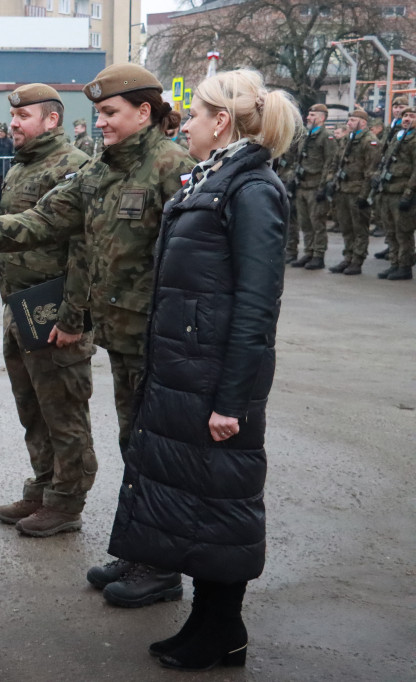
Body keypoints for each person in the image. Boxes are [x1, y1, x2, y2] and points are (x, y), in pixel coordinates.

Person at [0, 64, 195, 607]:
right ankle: (142, 553)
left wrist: (73, 316)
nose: (98, 123)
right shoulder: (102, 170)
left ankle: (162, 565)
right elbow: (46, 218)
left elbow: (198, 261)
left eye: (109, 113)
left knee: (157, 452)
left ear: (144, 113)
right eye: (97, 114)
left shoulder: (173, 166)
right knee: (134, 446)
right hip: (122, 337)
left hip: (159, 337)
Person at [107, 68, 300, 671]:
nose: (183, 123)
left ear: (221, 122)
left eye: (194, 115)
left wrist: (232, 399)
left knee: (221, 502)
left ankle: (221, 629)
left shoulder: (253, 190)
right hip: (186, 371)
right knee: (197, 499)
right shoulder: (214, 181)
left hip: (216, 379)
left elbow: (256, 305)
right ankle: (211, 624)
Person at [0, 84, 95, 537]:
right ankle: (45, 485)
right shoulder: (23, 165)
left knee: (64, 411)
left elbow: (86, 251)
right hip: (22, 309)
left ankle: (67, 502)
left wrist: (73, 319)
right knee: (32, 407)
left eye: (23, 117)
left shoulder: (74, 168)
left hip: (55, 313)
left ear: (51, 120)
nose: (14, 124)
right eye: (13, 117)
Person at [324, 109, 378, 275]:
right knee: (346, 227)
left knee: (359, 229)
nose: (349, 123)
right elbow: (336, 162)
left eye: (353, 120)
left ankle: (357, 260)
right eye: (349, 120)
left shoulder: (370, 141)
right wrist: (331, 180)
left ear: (363, 122)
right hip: (343, 189)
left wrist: (364, 195)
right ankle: (348, 257)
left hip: (357, 190)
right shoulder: (347, 139)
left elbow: (372, 170)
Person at [372, 106, 416, 281]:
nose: (407, 119)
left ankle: (404, 266)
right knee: (390, 230)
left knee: (403, 231)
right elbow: (386, 162)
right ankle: (395, 263)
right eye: (405, 116)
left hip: (402, 191)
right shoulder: (398, 137)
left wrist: (408, 193)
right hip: (387, 190)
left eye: (412, 116)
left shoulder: (413, 140)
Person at [289, 103, 335, 271]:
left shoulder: (326, 136)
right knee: (305, 222)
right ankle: (308, 252)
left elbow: (330, 163)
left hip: (316, 186)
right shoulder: (306, 136)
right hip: (302, 185)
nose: (308, 117)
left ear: (322, 118)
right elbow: (298, 160)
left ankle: (318, 255)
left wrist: (323, 186)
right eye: (309, 115)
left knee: (317, 223)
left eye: (313, 115)